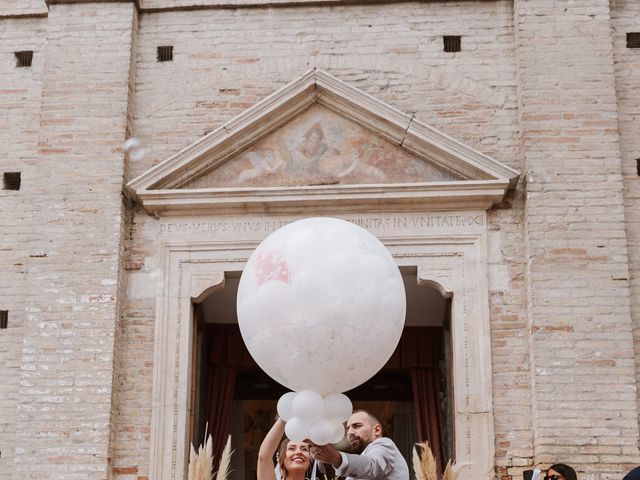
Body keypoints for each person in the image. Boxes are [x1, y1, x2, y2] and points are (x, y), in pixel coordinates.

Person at [311, 410, 409, 480]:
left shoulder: (384, 444)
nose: (350, 433)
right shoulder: (363, 456)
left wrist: (336, 458)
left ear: (377, 430)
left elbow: (372, 465)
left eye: (357, 426)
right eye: (347, 429)